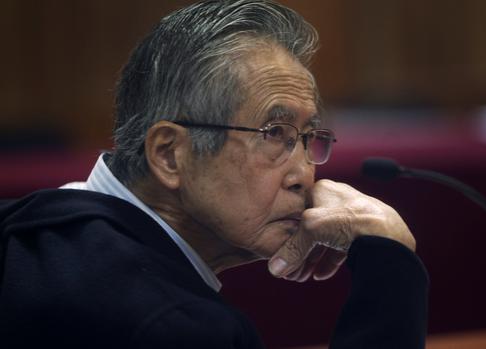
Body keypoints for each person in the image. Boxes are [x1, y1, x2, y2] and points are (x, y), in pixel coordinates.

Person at [0, 0, 428, 348]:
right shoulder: (177, 329)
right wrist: (391, 267)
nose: (304, 174)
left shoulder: (27, 229)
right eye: (273, 133)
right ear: (170, 155)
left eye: (308, 137)